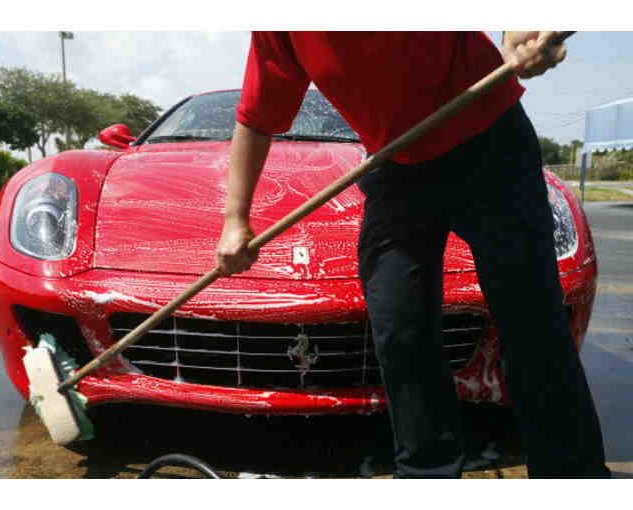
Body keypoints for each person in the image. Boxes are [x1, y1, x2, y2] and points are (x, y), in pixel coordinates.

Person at [216, 31, 610, 479]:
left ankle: (571, 476)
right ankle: (428, 474)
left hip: (490, 141)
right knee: (399, 325)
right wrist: (235, 220)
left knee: (531, 321)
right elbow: (256, 117)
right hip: (396, 165)